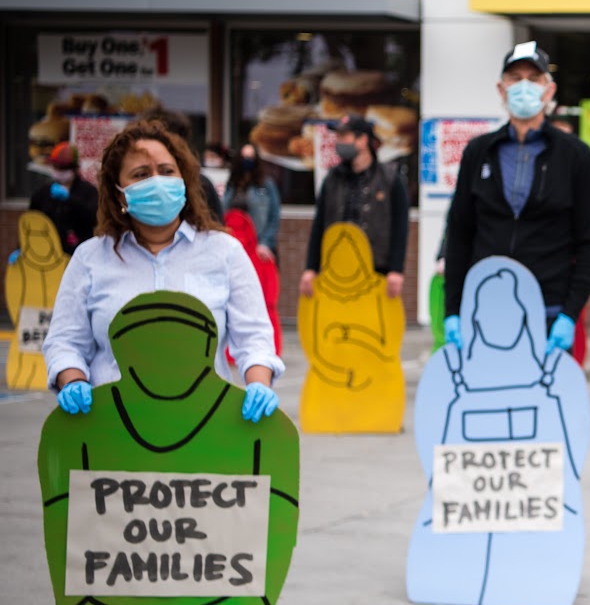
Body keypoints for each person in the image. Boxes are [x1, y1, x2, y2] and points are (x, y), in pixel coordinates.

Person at [42, 119, 284, 425]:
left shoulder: (225, 252)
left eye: (167, 171)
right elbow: (65, 341)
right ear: (119, 194)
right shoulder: (90, 258)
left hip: (206, 427)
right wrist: (73, 380)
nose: (157, 181)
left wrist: (259, 384)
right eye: (141, 174)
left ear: (184, 180)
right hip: (112, 428)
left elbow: (254, 338)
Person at [443, 41, 590, 354]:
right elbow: (459, 233)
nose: (524, 86)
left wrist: (570, 314)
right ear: (501, 89)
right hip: (485, 307)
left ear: (549, 90)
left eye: (534, 78)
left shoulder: (575, 156)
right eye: (515, 78)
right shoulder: (479, 152)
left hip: (548, 309)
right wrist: (453, 309)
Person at [300, 114, 409, 302]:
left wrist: (396, 269)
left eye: (344, 136)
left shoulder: (390, 179)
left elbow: (400, 227)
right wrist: (311, 268)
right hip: (336, 270)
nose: (339, 142)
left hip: (377, 272)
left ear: (363, 140)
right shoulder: (332, 179)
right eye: (338, 137)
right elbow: (319, 226)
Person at [27, 142, 98, 255]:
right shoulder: (42, 193)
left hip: (78, 253)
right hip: (47, 253)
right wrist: (23, 247)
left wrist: (70, 200)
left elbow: (93, 219)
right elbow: (31, 221)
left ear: (75, 168)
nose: (59, 171)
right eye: (56, 167)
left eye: (64, 168)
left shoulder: (89, 192)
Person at [223, 142, 282, 260]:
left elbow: (274, 217)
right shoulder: (232, 185)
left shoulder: (266, 185)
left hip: (258, 246)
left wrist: (265, 243)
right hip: (235, 245)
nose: (247, 161)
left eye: (251, 157)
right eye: (244, 157)